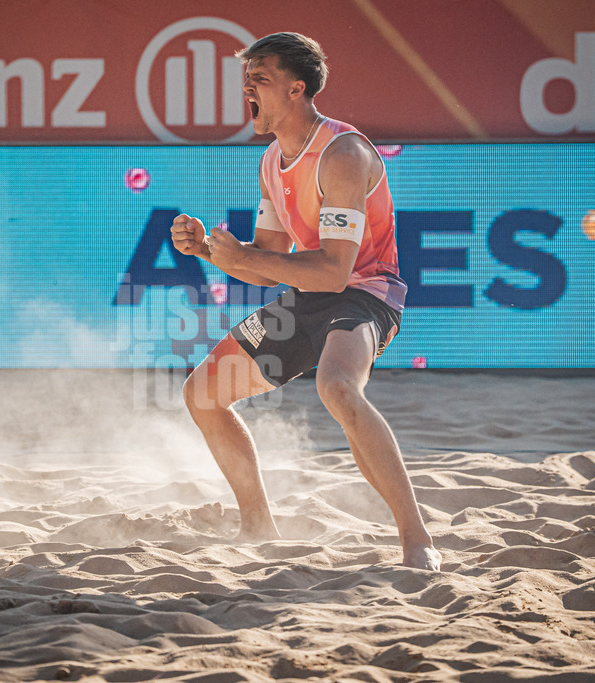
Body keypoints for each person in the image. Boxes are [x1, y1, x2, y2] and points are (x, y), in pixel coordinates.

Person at [171, 32, 440, 571]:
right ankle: (257, 526)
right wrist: (208, 251)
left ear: (297, 89)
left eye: (261, 79)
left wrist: (241, 260)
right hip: (312, 294)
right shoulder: (273, 159)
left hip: (366, 294)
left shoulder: (343, 153)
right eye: (247, 79)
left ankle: (417, 539)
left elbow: (335, 269)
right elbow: (270, 254)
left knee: (337, 386)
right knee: (202, 394)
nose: (248, 88)